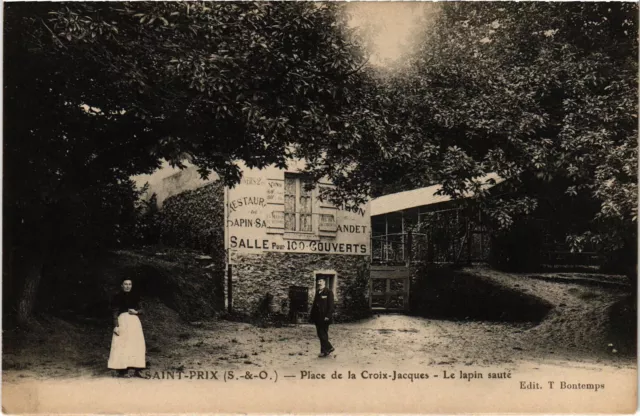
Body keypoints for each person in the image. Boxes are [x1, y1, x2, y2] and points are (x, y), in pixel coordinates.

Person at [108, 278, 146, 378]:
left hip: (134, 322)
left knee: (136, 344)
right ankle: (122, 370)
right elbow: (114, 313)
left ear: (131, 286)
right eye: (125, 284)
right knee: (122, 344)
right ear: (122, 285)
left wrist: (136, 312)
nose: (127, 286)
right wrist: (116, 326)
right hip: (123, 321)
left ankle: (137, 369)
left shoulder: (136, 297)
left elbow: (143, 310)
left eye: (129, 284)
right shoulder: (117, 297)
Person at [309, 277, 335, 357]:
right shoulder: (318, 292)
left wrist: (328, 316)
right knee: (321, 334)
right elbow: (314, 305)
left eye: (320, 281)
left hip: (325, 317)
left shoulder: (329, 292)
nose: (319, 283)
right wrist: (311, 316)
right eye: (318, 281)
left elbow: (331, 306)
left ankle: (329, 347)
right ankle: (324, 351)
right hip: (317, 317)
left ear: (324, 282)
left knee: (322, 333)